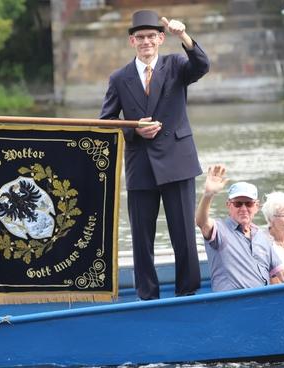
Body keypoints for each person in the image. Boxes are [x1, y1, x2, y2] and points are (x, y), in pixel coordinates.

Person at [99, 9, 209, 299]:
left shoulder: (176, 65)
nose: (146, 41)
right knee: (141, 238)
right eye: (140, 37)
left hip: (178, 161)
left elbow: (202, 65)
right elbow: (106, 123)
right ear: (131, 42)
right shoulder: (119, 78)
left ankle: (188, 292)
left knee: (184, 234)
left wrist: (183, 35)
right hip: (140, 165)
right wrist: (135, 130)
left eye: (151, 36)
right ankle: (147, 295)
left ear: (160, 39)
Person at [196, 165, 284, 292]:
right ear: (229, 205)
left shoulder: (261, 236)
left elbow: (283, 273)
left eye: (248, 204)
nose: (243, 209)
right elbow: (202, 222)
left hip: (261, 302)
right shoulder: (219, 230)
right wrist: (208, 195)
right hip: (231, 303)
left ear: (256, 206)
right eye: (238, 204)